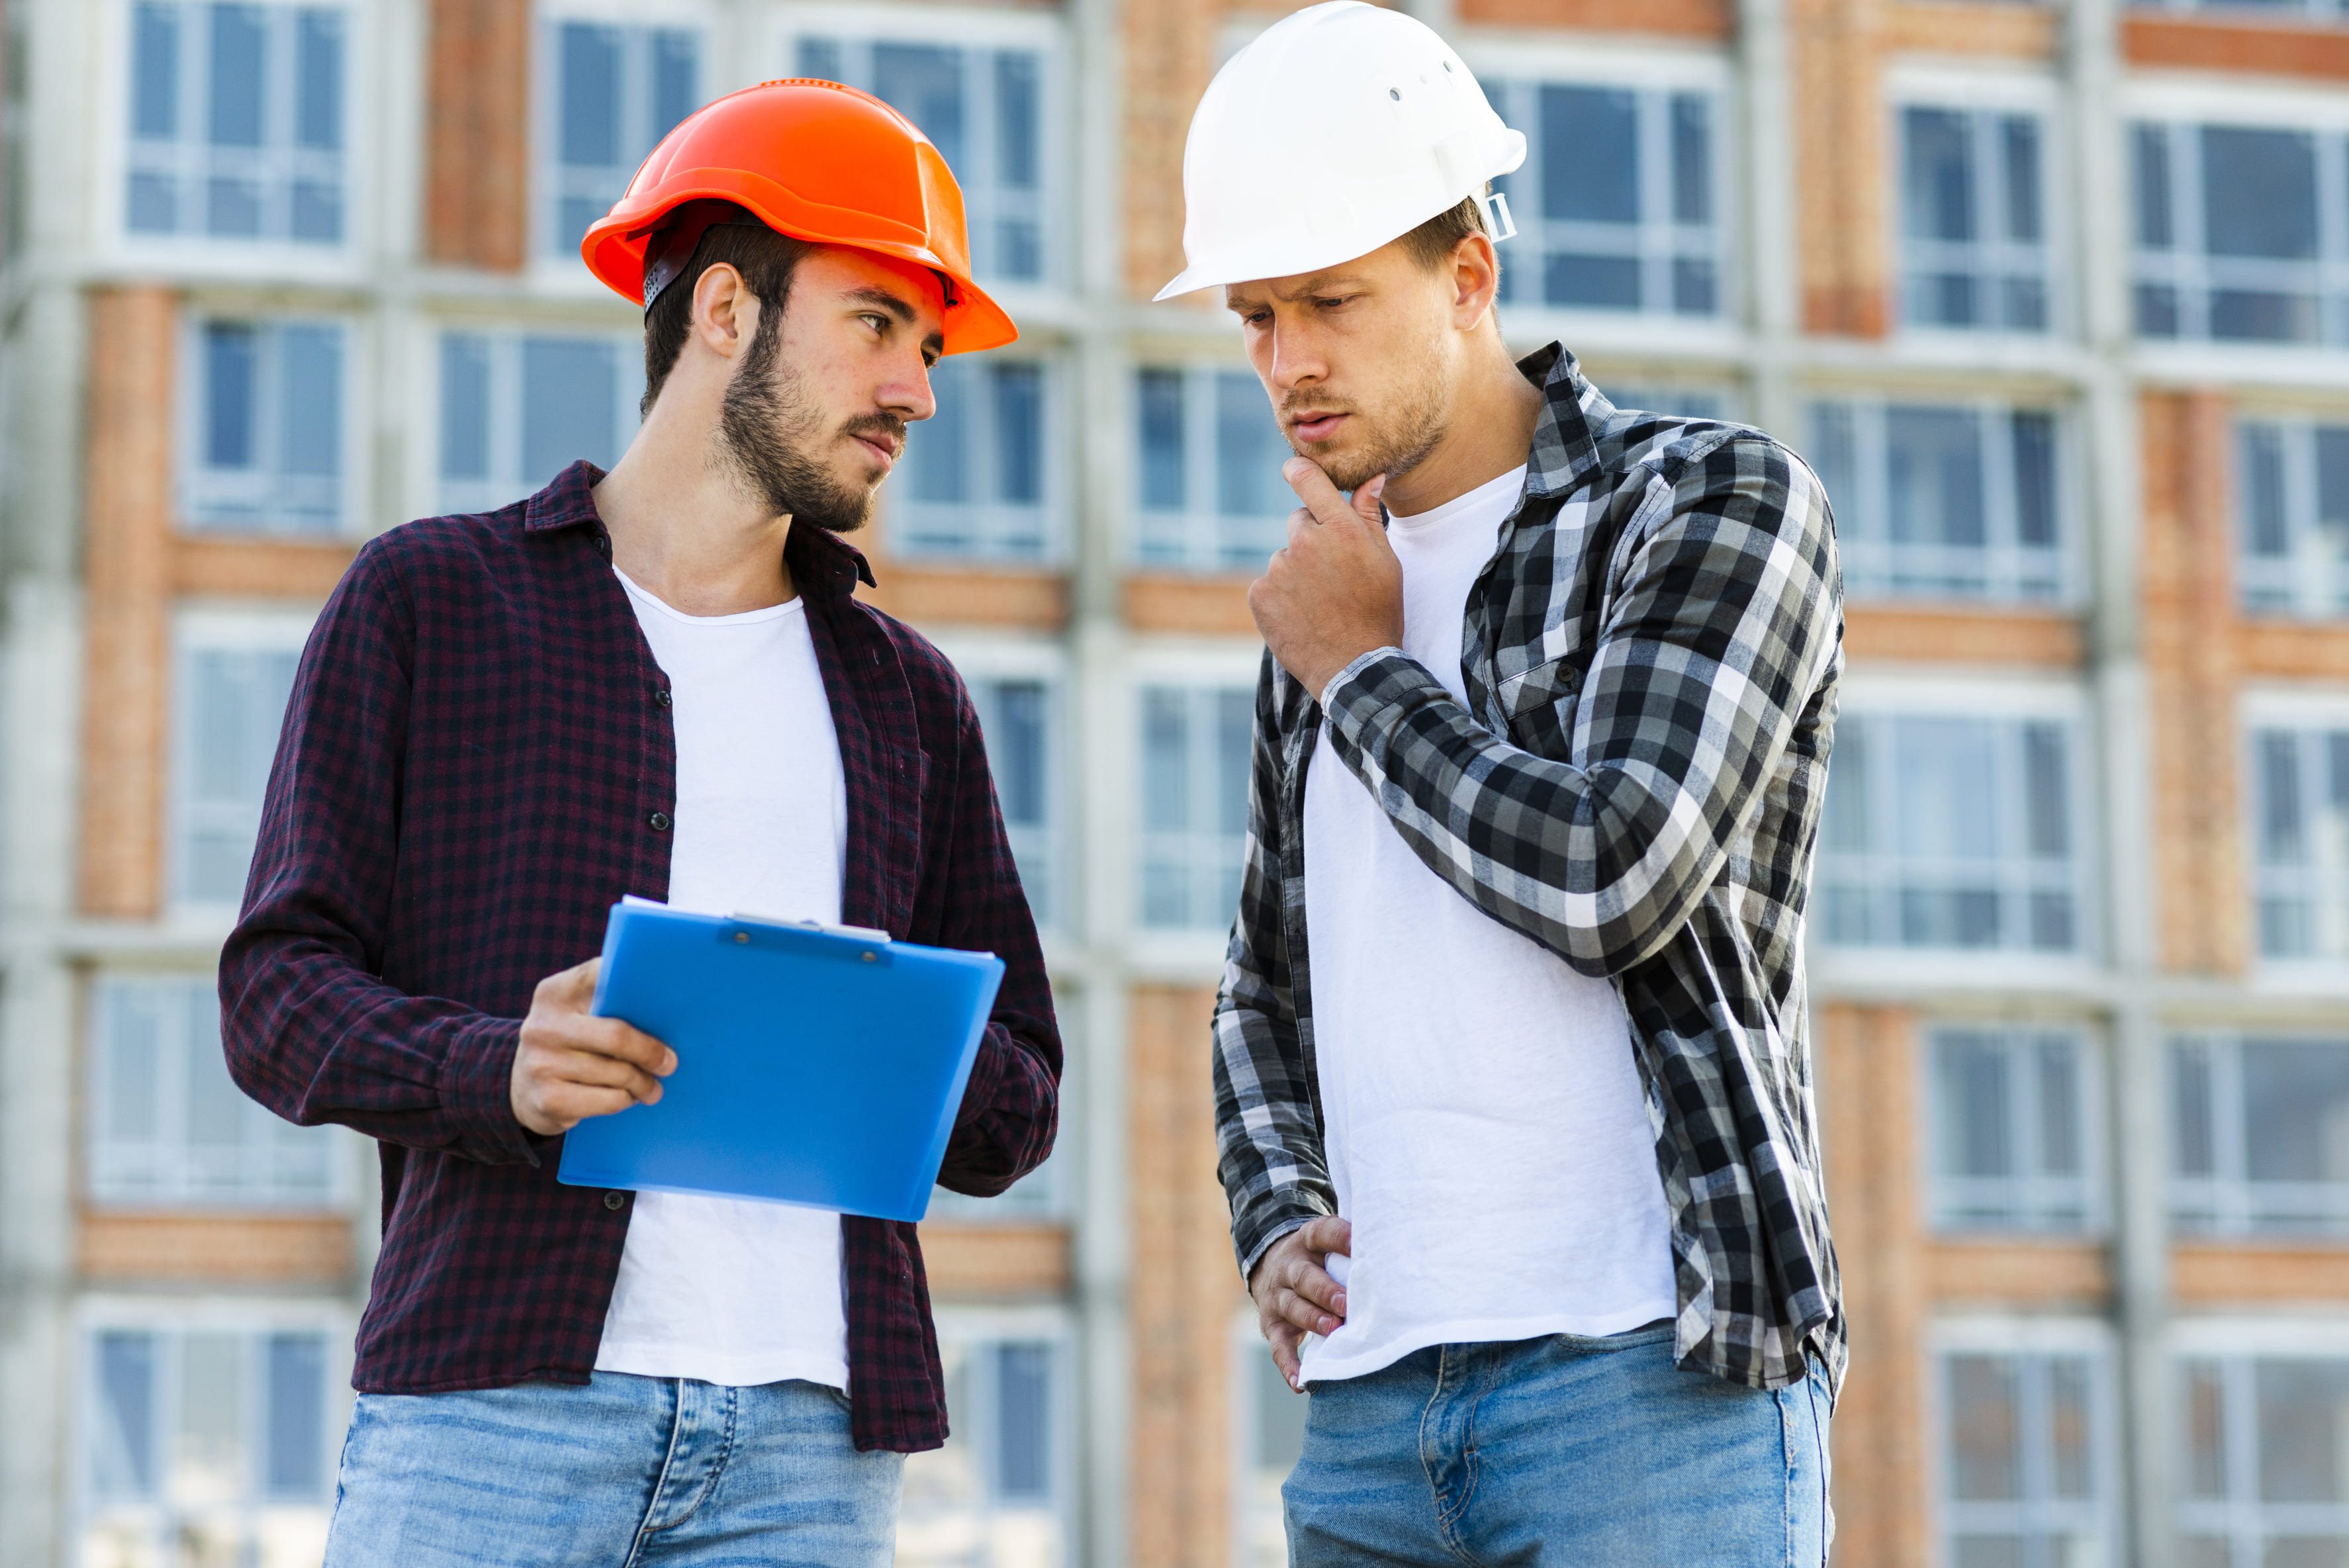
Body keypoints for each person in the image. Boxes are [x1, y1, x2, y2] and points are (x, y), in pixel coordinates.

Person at [218, 81, 1058, 1568]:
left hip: (810, 1452)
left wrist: (871, 1037)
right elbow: (274, 996)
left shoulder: (909, 698)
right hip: (492, 1419)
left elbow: (1019, 1105)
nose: (916, 392)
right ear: (725, 309)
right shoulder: (432, 604)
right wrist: (495, 1068)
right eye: (877, 324)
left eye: (927, 351)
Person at [1164, 6, 1845, 1563]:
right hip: (1368, 1421)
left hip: (1652, 1391)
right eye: (1255, 316)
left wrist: (1361, 671)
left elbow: (1616, 875)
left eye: (1330, 300)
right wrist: (1272, 1212)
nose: (1286, 361)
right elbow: (1262, 982)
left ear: (1468, 276)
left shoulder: (1707, 501)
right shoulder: (1324, 597)